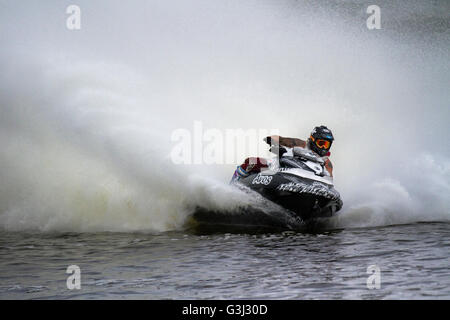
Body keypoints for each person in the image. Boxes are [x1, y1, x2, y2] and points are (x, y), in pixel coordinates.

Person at [230, 125, 335, 183]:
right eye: (321, 143)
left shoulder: (327, 163)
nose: (323, 148)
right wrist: (274, 144)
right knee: (252, 161)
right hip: (283, 167)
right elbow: (279, 139)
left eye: (326, 145)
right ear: (313, 140)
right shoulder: (301, 144)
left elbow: (329, 180)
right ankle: (235, 181)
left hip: (307, 180)